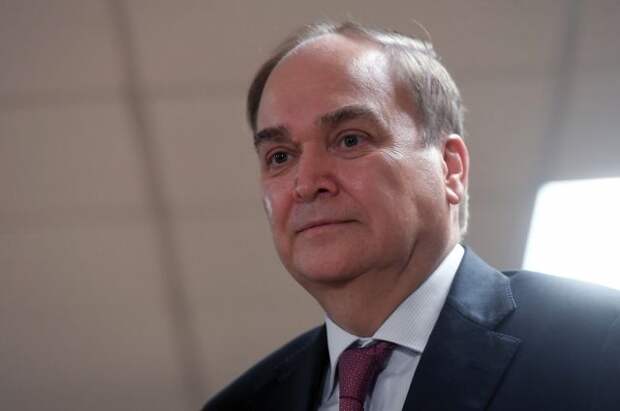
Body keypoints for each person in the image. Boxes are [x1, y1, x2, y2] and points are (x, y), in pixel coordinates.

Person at [203, 21, 620, 411]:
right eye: (279, 156)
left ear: (450, 168)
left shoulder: (599, 344)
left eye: (350, 140)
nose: (307, 183)